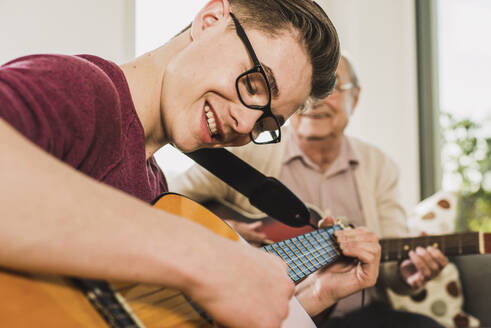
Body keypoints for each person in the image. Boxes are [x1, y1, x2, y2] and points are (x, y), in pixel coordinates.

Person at [0, 1, 347, 327]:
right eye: (255, 85)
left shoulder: (157, 188)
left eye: (265, 124)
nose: (244, 124)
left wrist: (303, 298)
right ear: (210, 21)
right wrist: (205, 257)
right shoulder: (85, 91)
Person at [171, 53, 449, 327]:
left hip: (362, 317)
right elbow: (163, 202)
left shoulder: (380, 165)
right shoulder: (246, 153)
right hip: (275, 314)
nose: (316, 102)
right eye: (310, 89)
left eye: (331, 88)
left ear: (357, 96)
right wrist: (224, 235)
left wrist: (406, 274)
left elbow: (390, 265)